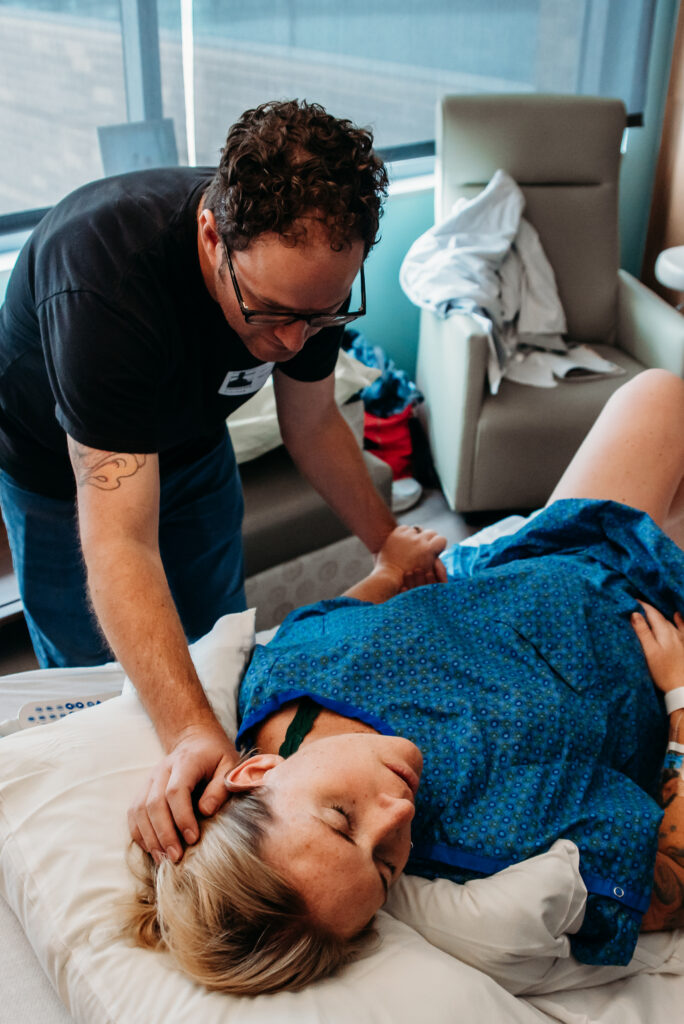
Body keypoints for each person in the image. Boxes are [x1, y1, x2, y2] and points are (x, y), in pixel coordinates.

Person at [124, 369, 684, 994]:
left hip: (546, 558)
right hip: (658, 623)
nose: (396, 817)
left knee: (658, 392)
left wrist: (387, 571)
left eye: (341, 820)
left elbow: (334, 621)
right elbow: (664, 884)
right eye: (387, 869)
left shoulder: (277, 684)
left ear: (258, 771)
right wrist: (680, 694)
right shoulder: (490, 834)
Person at [0, 100, 446, 857]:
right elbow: (120, 544)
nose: (290, 341)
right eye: (269, 313)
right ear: (212, 235)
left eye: (322, 314)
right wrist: (190, 735)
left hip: (195, 449)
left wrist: (390, 546)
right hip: (62, 475)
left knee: (220, 649)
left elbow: (313, 426)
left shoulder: (304, 283)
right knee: (104, 686)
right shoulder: (104, 283)